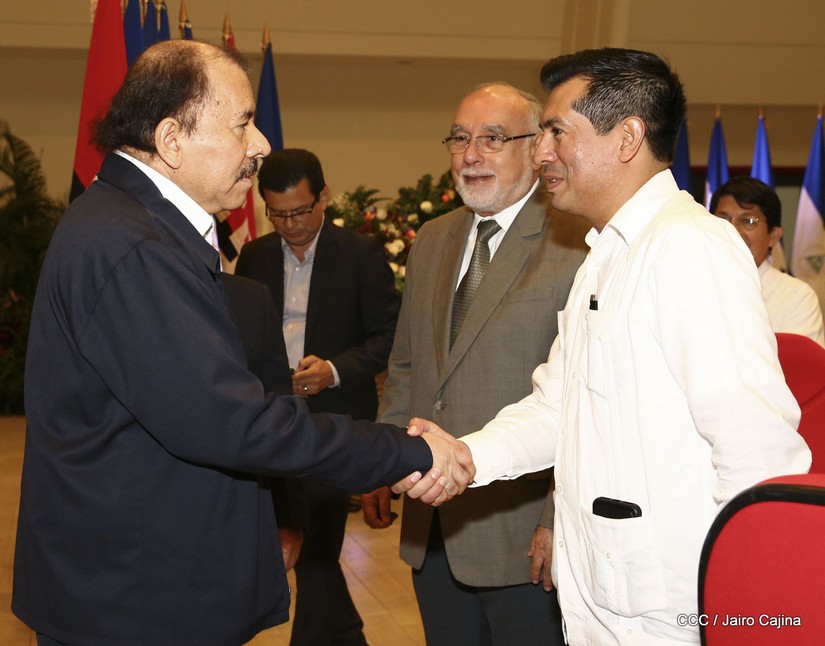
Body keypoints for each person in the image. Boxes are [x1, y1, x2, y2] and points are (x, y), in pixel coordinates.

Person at [13, 39, 472, 646]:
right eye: (243, 124)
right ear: (172, 139)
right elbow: (231, 421)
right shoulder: (135, 245)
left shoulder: (129, 223)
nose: (261, 144)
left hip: (143, 579)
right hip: (136, 599)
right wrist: (404, 452)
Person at [398, 48, 811, 644]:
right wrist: (466, 456)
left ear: (627, 138)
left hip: (675, 611)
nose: (541, 152)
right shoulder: (604, 256)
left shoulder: (689, 248)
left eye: (557, 132)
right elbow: (556, 407)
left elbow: (758, 453)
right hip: (606, 602)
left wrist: (742, 610)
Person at [360, 82, 587, 646]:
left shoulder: (575, 241)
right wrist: (385, 458)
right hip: (432, 525)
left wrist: (557, 519)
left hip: (522, 534)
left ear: (536, 148)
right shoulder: (433, 239)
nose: (470, 155)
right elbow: (407, 366)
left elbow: (583, 401)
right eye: (459, 138)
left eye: (492, 138)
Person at [235, 148, 401, 646]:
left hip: (335, 423)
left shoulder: (360, 254)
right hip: (273, 421)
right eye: (278, 214)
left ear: (323, 197)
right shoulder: (255, 256)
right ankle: (347, 636)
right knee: (310, 555)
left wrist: (333, 370)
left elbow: (390, 337)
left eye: (300, 211)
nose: (290, 225)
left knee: (318, 546)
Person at [710, 176, 825, 346]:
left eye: (748, 221)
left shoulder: (796, 297)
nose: (732, 230)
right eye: (723, 220)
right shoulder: (691, 284)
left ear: (774, 236)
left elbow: (795, 361)